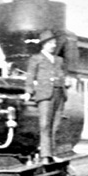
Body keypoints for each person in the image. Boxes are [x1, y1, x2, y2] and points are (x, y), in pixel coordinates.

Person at [22, 29, 67, 164]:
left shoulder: (59, 60)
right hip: (45, 95)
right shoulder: (36, 59)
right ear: (44, 44)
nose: (54, 45)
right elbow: (30, 76)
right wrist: (28, 92)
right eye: (51, 43)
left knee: (56, 125)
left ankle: (53, 153)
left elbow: (62, 74)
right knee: (45, 124)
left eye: (54, 43)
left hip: (59, 93)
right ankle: (45, 156)